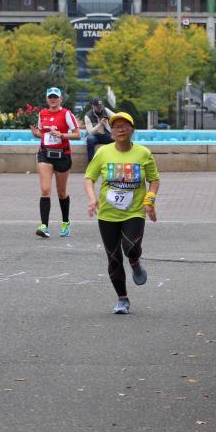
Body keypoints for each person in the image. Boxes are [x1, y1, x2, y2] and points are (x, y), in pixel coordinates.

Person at [84, 112, 160, 314]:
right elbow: (89, 177)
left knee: (131, 247)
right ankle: (122, 299)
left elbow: (154, 180)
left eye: (124, 126)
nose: (120, 129)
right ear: (112, 132)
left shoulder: (143, 153)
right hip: (107, 214)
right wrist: (92, 198)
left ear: (132, 130)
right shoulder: (103, 152)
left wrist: (150, 200)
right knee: (114, 257)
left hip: (134, 211)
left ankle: (135, 262)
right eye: (116, 126)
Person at [31, 86, 80, 238]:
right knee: (45, 190)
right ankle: (44, 226)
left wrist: (62, 135)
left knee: (61, 192)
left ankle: (65, 222)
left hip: (62, 155)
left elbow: (77, 135)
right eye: (50, 97)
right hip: (45, 154)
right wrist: (36, 133)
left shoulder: (66, 114)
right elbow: (42, 133)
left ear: (60, 99)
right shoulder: (42, 113)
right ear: (47, 99)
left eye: (55, 97)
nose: (53, 99)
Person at [83, 97, 115, 162]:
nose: (100, 109)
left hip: (105, 135)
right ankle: (91, 162)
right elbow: (90, 132)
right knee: (90, 139)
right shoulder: (88, 116)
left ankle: (114, 160)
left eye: (101, 106)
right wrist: (100, 124)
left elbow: (115, 116)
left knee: (116, 138)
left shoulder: (105, 110)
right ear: (93, 106)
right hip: (94, 136)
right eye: (98, 107)